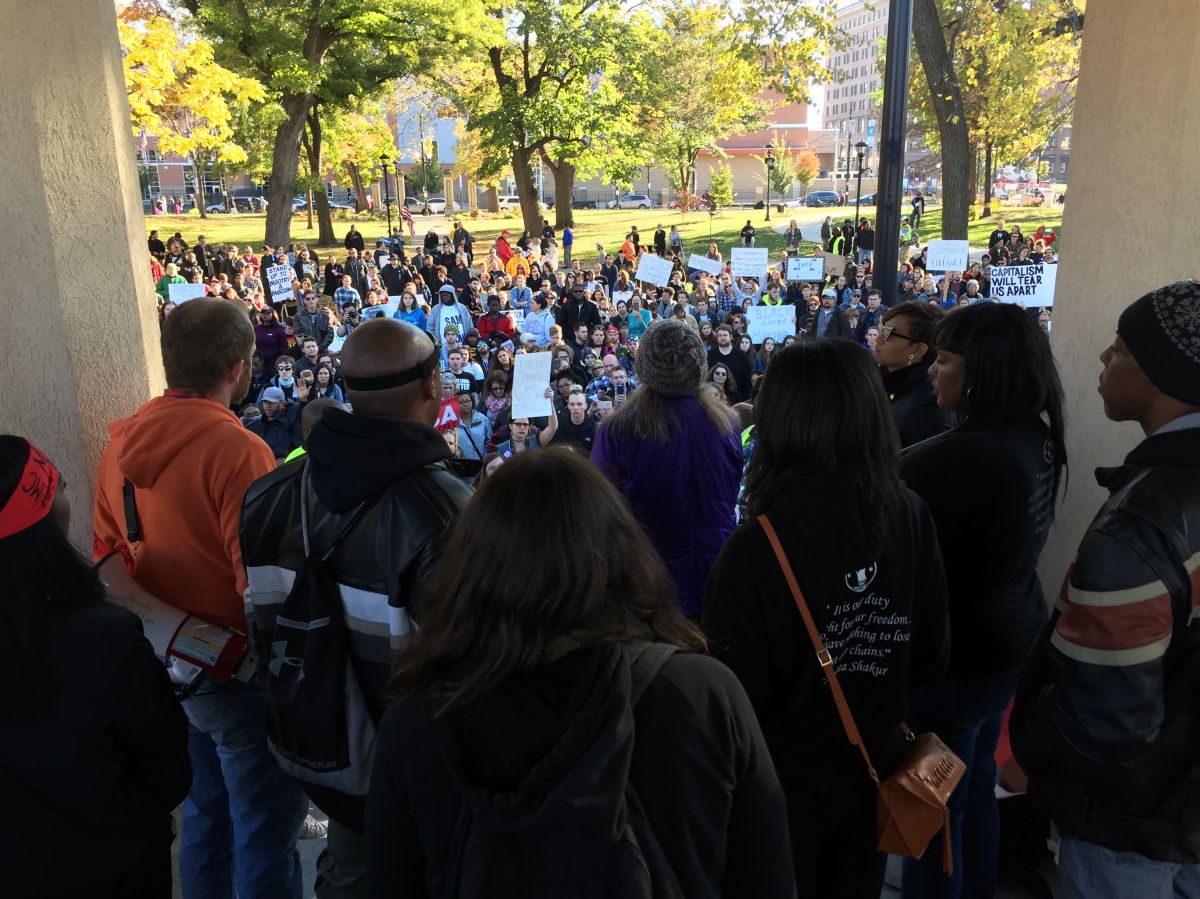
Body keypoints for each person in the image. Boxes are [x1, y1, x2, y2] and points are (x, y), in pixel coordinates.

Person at [366, 449, 795, 897]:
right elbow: (768, 877)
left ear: (469, 569)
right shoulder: (703, 696)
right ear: (622, 552)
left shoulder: (417, 722)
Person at [704, 339, 950, 896]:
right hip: (875, 771)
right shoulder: (911, 512)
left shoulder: (752, 552)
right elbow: (932, 653)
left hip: (780, 794)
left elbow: (730, 705)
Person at [241, 319, 474, 897]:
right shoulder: (445, 511)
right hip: (418, 771)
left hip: (314, 741)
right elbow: (469, 664)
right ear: (433, 385)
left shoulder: (268, 493)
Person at [92, 299, 308, 898]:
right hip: (234, 670)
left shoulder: (119, 446)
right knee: (264, 834)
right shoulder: (239, 452)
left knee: (206, 822)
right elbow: (260, 587)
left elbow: (106, 556)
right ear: (238, 369)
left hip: (163, 665)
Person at [1011, 282, 1200, 899]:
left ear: (1159, 373)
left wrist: (1025, 742)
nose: (1101, 359)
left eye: (1118, 348)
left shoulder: (1144, 523)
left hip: (1135, 834)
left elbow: (1105, 722)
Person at [899, 302, 1067, 899]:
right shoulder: (1033, 434)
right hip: (1004, 647)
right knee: (971, 787)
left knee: (926, 805)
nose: (930, 372)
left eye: (943, 360)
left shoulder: (958, 457)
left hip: (953, 664)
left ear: (985, 371)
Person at [0, 436, 190, 898]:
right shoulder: (104, 638)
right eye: (60, 485)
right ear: (44, 516)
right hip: (114, 870)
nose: (68, 493)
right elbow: (168, 772)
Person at [592, 320, 741, 619]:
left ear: (644, 366)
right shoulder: (728, 424)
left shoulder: (617, 428)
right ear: (698, 364)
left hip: (649, 581)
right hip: (718, 572)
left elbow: (600, 508)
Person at [874, 301, 956, 447]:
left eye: (889, 333)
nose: (879, 338)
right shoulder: (883, 381)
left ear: (918, 350)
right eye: (881, 328)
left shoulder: (930, 401)